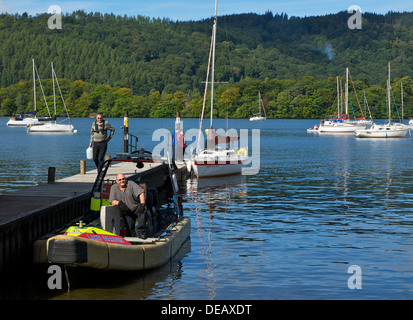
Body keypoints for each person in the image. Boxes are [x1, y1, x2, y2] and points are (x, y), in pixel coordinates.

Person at [109, 173, 147, 238]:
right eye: (120, 180)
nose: (122, 181)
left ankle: (142, 234)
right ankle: (132, 242)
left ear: (125, 179)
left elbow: (141, 192)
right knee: (129, 229)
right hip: (127, 211)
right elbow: (112, 201)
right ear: (117, 181)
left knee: (142, 213)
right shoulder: (113, 188)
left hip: (136, 207)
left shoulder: (131, 184)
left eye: (123, 179)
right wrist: (119, 203)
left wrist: (142, 204)